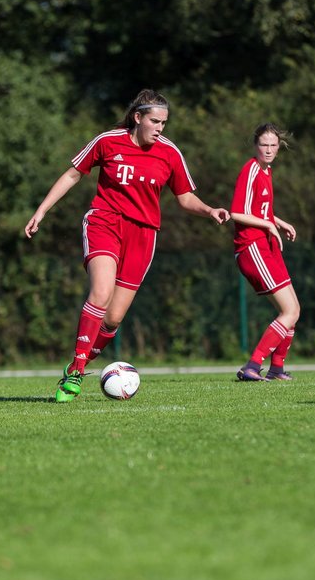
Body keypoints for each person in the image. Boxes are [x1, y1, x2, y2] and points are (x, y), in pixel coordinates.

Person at [25, 90, 230, 401]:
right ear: (138, 118)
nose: (160, 128)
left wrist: (209, 210)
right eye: (154, 121)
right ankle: (77, 373)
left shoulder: (169, 153)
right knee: (101, 292)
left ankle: (77, 364)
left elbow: (185, 198)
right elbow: (72, 174)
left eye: (164, 122)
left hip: (143, 234)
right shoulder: (108, 141)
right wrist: (41, 210)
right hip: (104, 222)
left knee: (113, 319)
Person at [229, 123, 301, 381]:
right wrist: (270, 224)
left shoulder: (266, 171)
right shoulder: (250, 169)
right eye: (263, 145)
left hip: (266, 246)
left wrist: (279, 222)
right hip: (252, 247)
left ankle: (277, 369)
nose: (268, 150)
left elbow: (259, 210)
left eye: (273, 145)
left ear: (278, 147)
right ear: (255, 146)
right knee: (289, 311)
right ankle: (251, 366)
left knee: (293, 309)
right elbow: (236, 212)